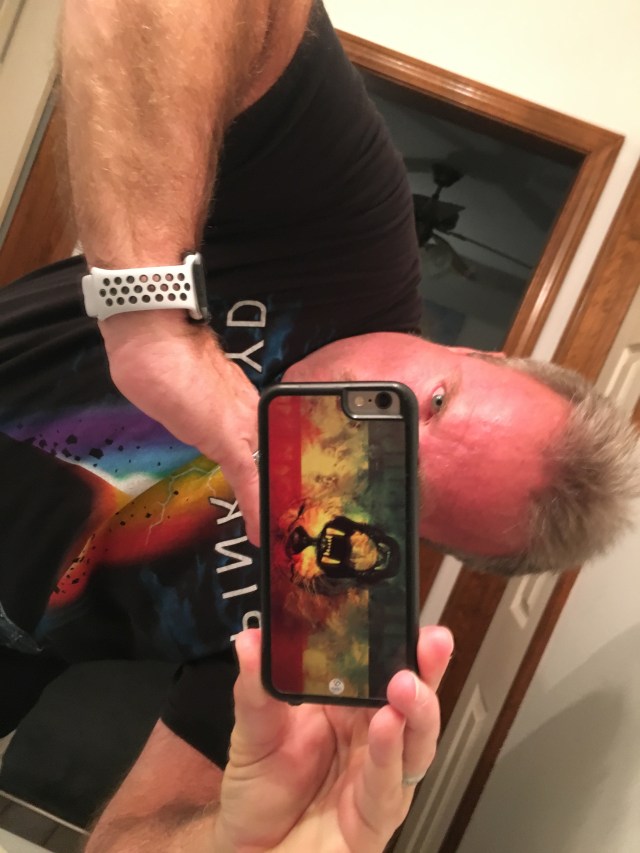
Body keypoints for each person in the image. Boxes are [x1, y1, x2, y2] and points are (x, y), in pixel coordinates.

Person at [0, 0, 638, 847]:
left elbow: (131, 836)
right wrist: (153, 322)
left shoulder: (331, 599)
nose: (373, 434)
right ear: (478, 352)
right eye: (433, 402)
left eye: (407, 488)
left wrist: (237, 836)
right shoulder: (350, 243)